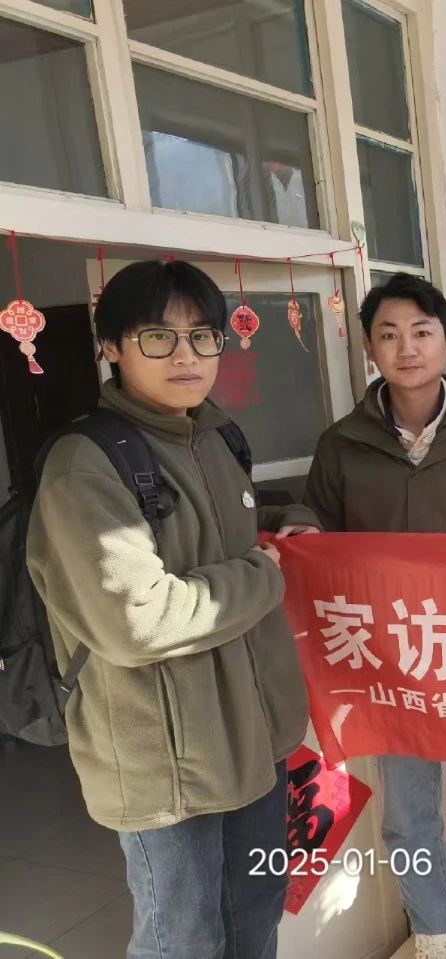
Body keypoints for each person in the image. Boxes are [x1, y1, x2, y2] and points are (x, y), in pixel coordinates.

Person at [26, 259, 321, 959]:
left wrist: (289, 519)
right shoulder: (85, 466)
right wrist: (266, 573)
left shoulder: (214, 435)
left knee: (256, 919)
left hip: (254, 740)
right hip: (169, 766)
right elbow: (141, 620)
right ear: (111, 347)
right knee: (182, 941)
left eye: (202, 336)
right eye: (158, 337)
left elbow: (223, 527)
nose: (186, 355)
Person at [304, 273, 446, 959]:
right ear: (370, 350)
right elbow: (319, 533)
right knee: (406, 810)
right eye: (389, 335)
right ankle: (433, 930)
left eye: (422, 332)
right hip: (390, 660)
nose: (407, 349)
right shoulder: (342, 444)